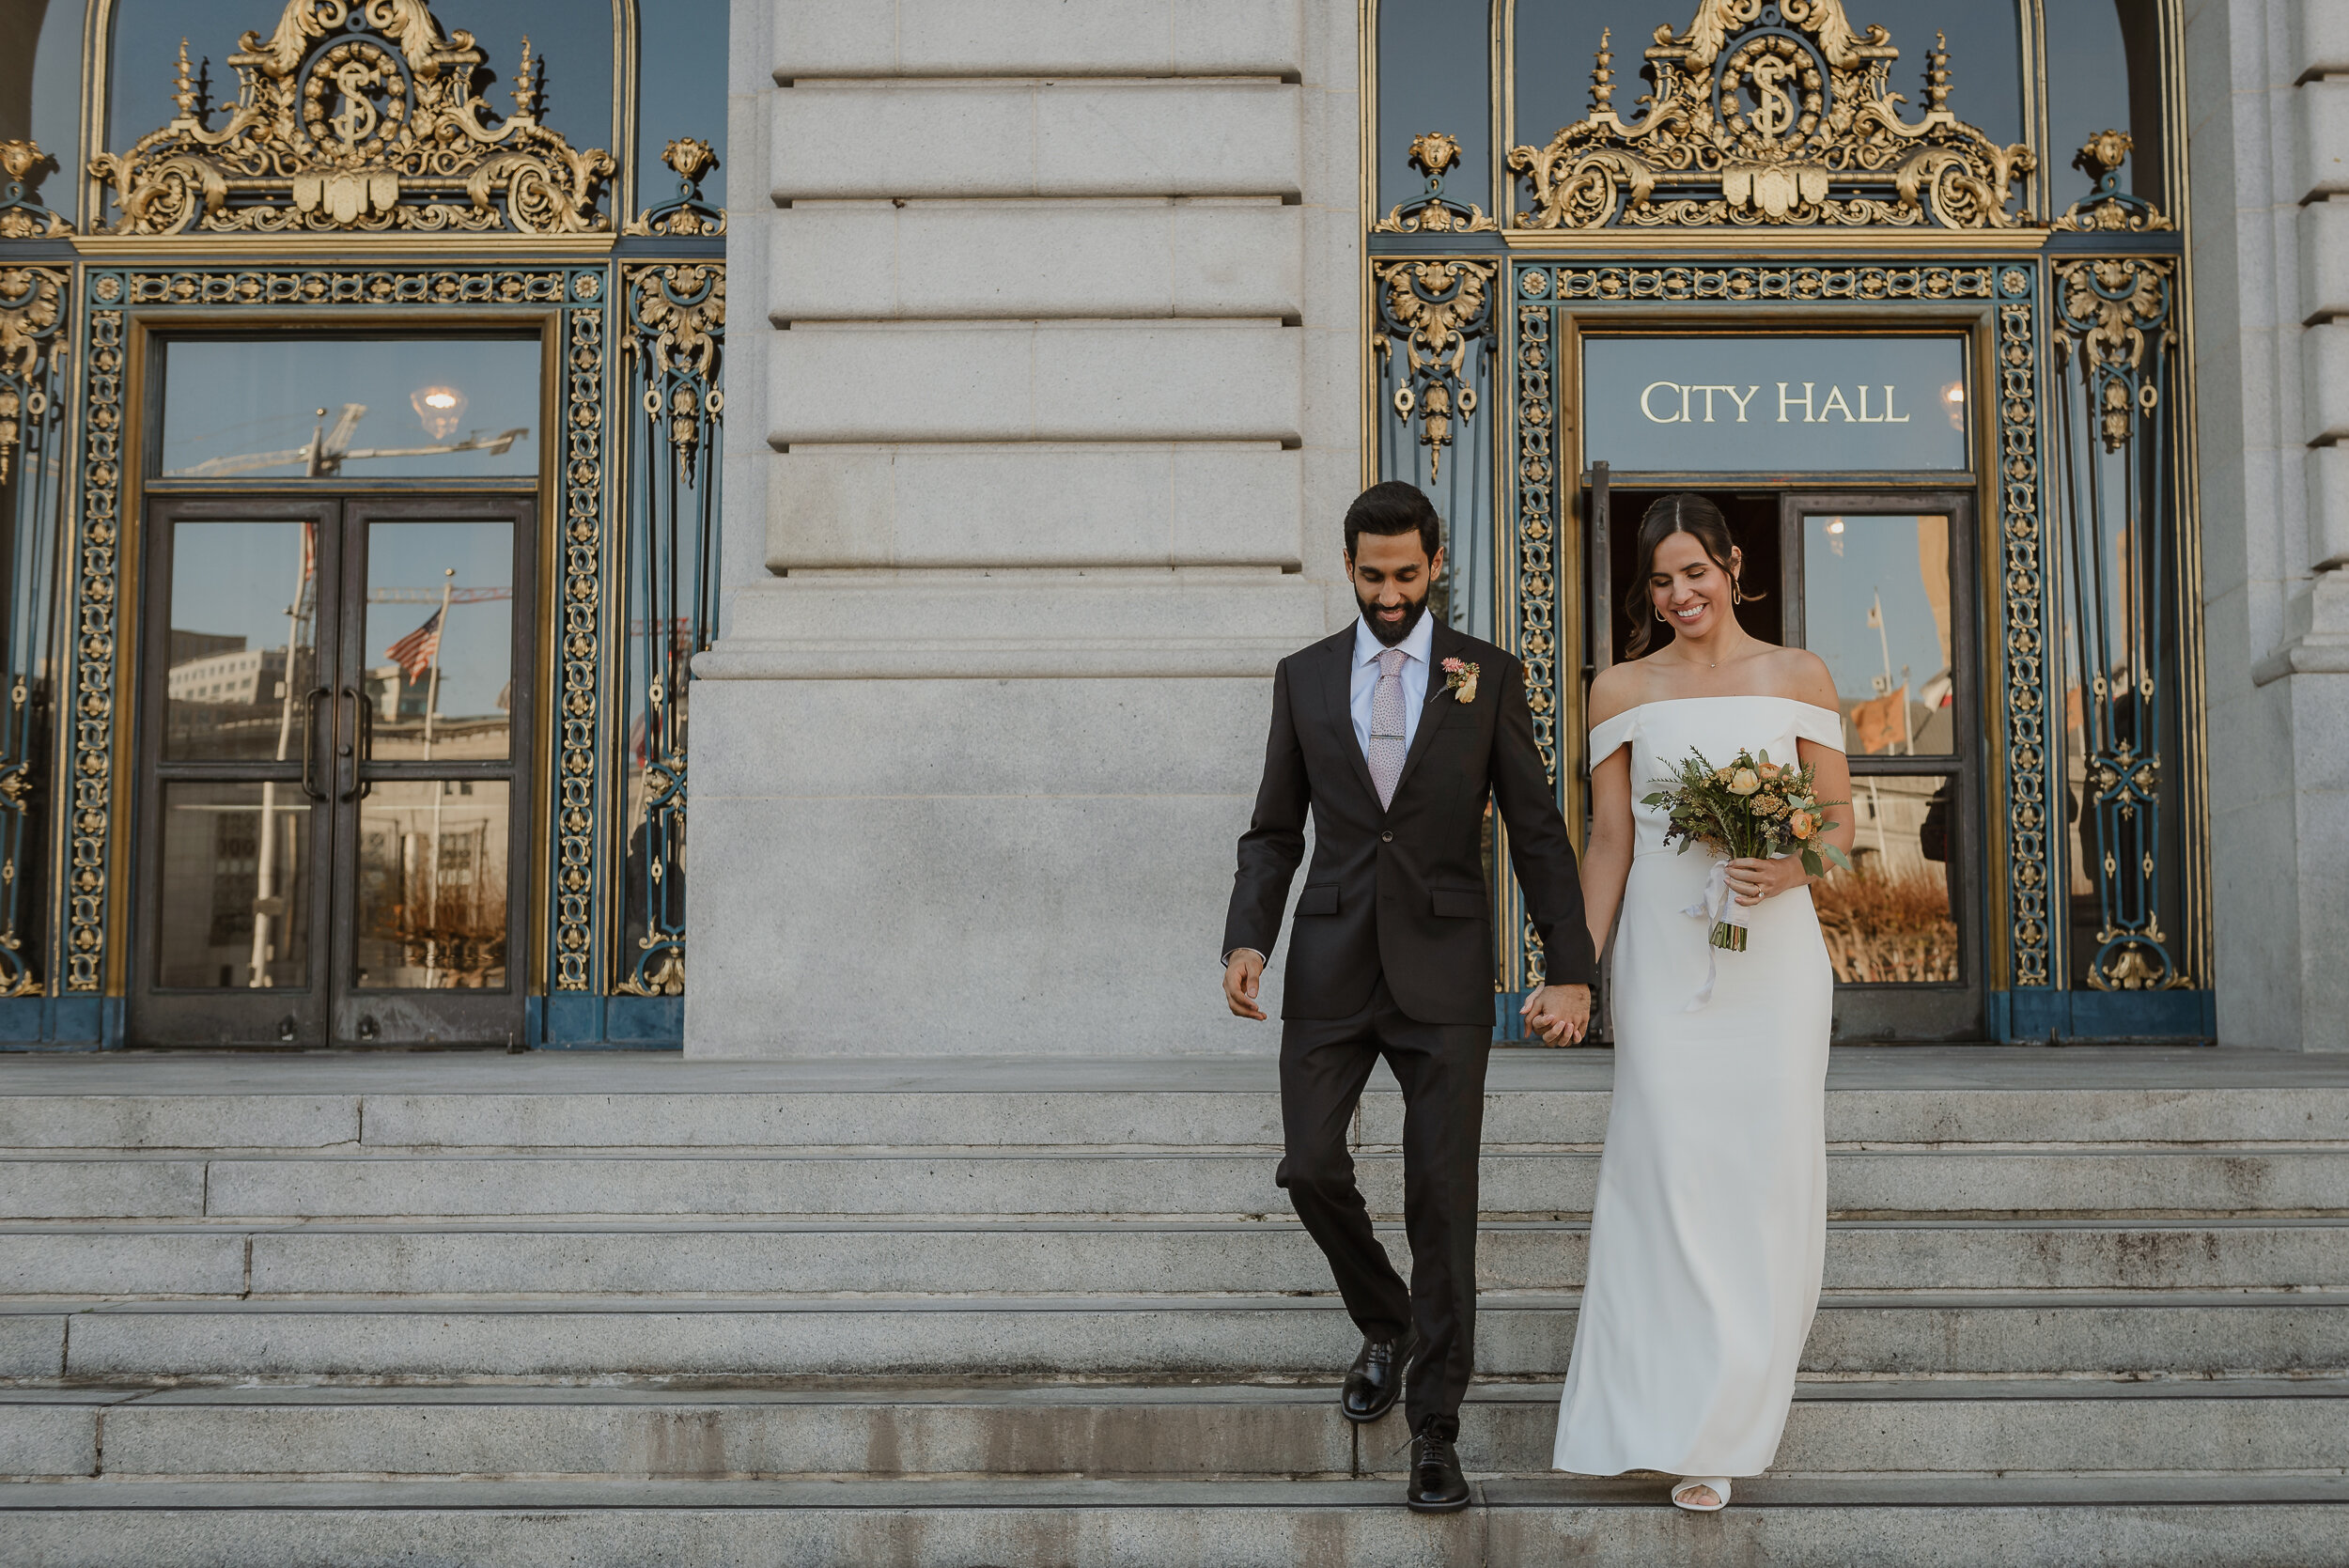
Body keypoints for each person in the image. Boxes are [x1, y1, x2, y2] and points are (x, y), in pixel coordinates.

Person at [1221, 480, 1596, 1513]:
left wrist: (1569, 965)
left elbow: (1536, 831)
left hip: (1441, 971)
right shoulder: (1302, 678)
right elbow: (1272, 829)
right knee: (1307, 1165)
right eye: (1371, 574)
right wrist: (1247, 935)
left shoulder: (1488, 676)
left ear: (1435, 565)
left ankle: (1435, 1427)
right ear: (1349, 568)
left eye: (1406, 574)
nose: (1389, 593)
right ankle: (1385, 1318)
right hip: (1331, 961)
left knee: (1442, 1201)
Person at [1549, 492, 1858, 1513]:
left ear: (1732, 565)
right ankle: (1647, 1410)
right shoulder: (1618, 688)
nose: (1680, 593)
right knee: (1663, 1172)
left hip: (1770, 964)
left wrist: (1791, 863)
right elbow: (1609, 840)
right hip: (1664, 957)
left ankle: (1722, 1429)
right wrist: (1576, 968)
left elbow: (1838, 825)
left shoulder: (1798, 675)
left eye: (1695, 570)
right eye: (1660, 579)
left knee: (1758, 1178)